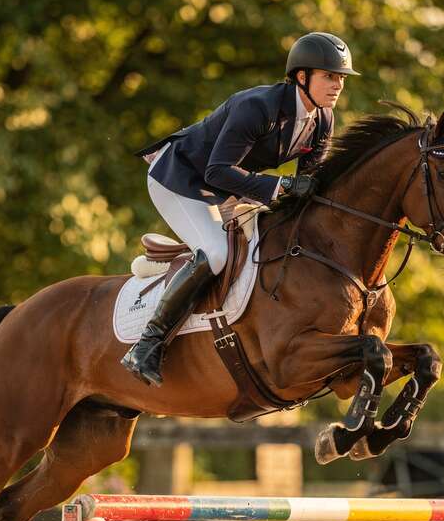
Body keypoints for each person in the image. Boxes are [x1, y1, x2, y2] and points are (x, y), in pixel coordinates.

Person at [120, 31, 360, 387]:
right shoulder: (257, 107)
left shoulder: (323, 119)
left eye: (340, 78)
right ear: (301, 76)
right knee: (216, 253)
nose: (337, 85)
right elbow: (217, 169)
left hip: (224, 187)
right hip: (181, 177)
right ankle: (147, 345)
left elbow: (307, 183)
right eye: (329, 76)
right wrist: (281, 186)